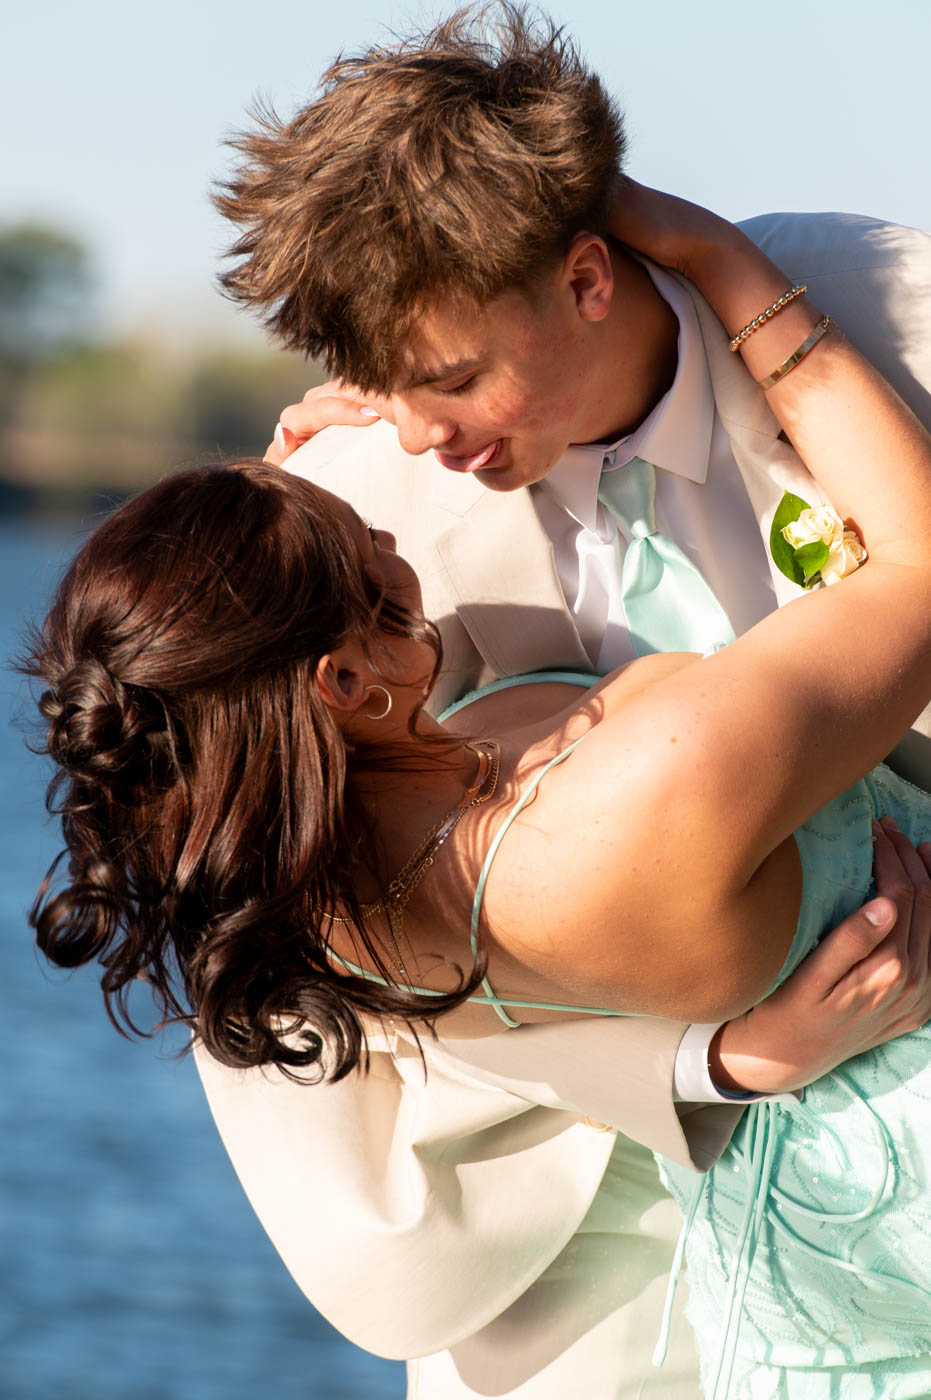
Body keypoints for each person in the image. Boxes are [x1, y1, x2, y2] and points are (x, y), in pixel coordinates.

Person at [25, 174, 931, 1398]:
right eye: (361, 546)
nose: (394, 488)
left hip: (781, 1291)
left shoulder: (312, 879)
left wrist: (240, 548)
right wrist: (719, 258)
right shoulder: (610, 804)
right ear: (340, 678)